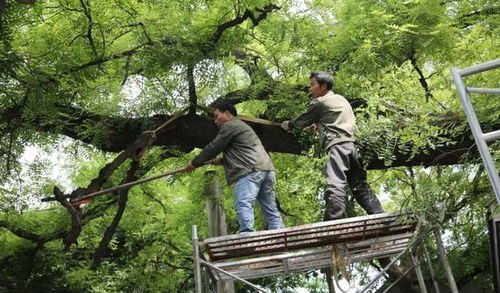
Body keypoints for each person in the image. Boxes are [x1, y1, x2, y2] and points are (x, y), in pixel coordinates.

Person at [281, 71, 385, 221]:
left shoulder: (320, 103)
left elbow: (302, 120)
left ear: (324, 86)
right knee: (360, 186)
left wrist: (289, 124)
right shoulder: (341, 99)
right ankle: (380, 215)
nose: (310, 89)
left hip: (338, 148)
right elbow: (335, 120)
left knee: (335, 185)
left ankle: (333, 222)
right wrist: (320, 126)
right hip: (353, 147)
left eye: (313, 85)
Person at [186, 100, 284, 233]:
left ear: (227, 114)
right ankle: (279, 234)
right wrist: (223, 161)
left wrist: (194, 162)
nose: (215, 121)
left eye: (216, 116)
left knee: (243, 202)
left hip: (250, 171)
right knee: (270, 208)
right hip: (266, 169)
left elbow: (214, 147)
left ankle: (247, 235)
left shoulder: (230, 125)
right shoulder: (242, 127)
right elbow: (243, 150)